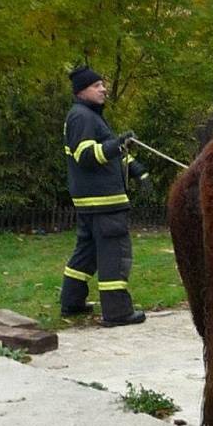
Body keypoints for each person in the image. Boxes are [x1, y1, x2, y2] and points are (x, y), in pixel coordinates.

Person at [59, 66, 151, 327]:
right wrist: (117, 143)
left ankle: (72, 302)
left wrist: (137, 170)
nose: (103, 89)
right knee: (114, 254)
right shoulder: (82, 117)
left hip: (92, 202)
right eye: (97, 85)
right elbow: (86, 156)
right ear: (81, 91)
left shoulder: (89, 116)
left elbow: (111, 152)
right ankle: (118, 312)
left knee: (85, 254)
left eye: (103, 84)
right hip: (104, 201)